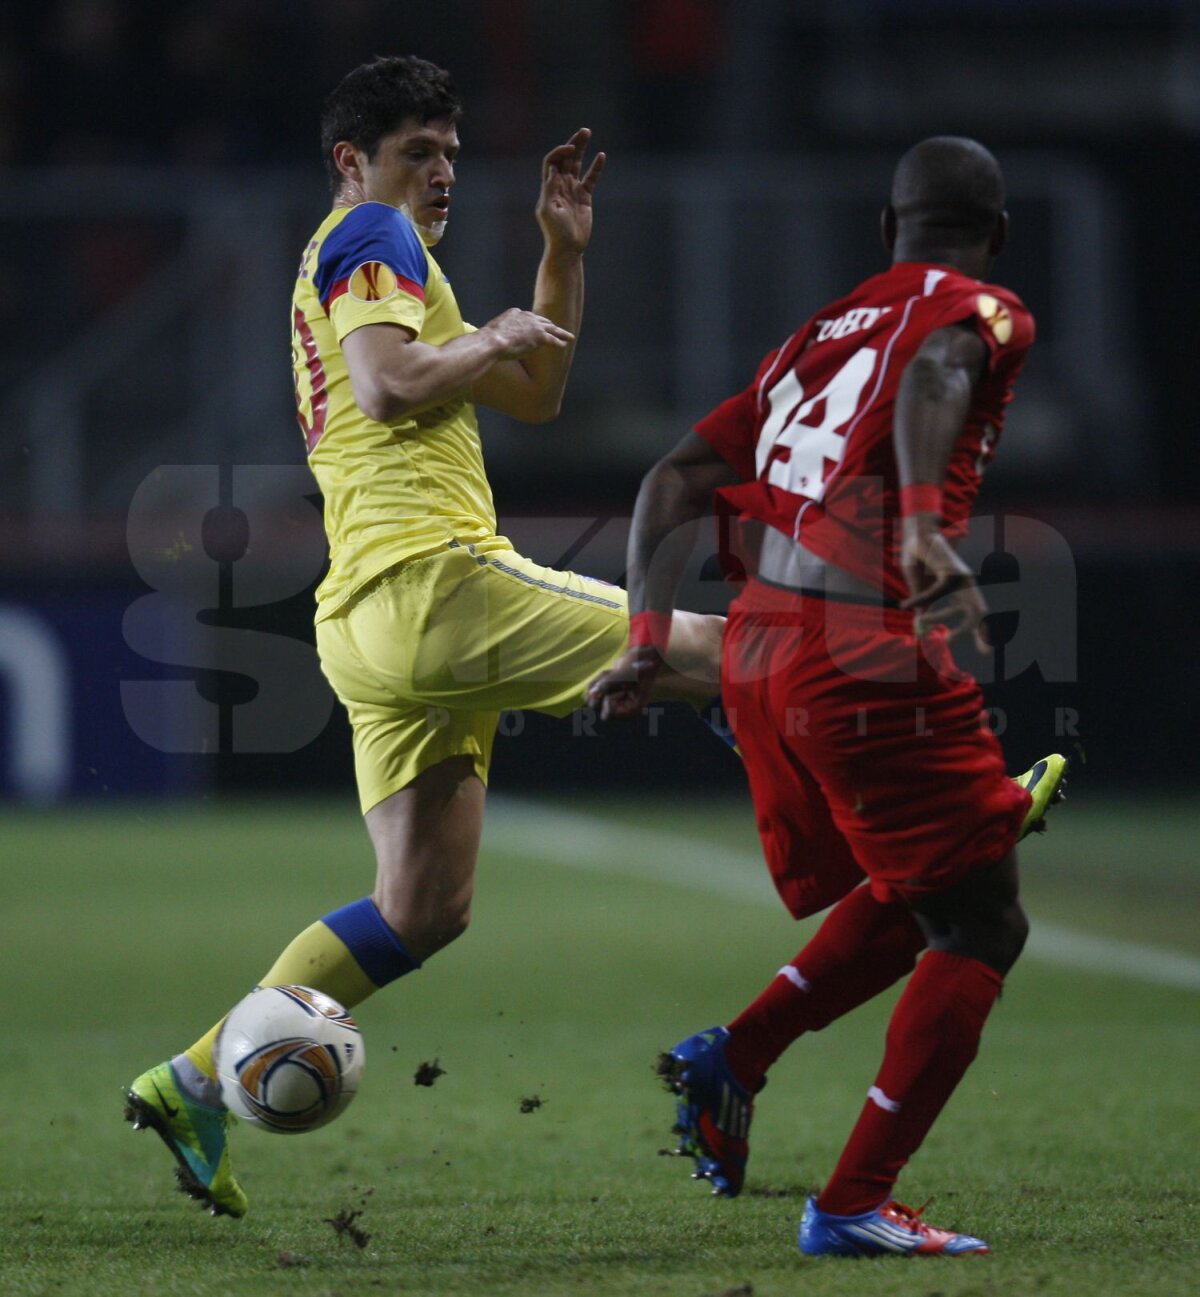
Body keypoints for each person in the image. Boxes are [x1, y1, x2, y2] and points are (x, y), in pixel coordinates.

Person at [124, 54, 724, 1219]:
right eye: (418, 152)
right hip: (434, 580)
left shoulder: (375, 261)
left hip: (371, 615)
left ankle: (195, 1079)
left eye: (451, 151)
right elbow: (393, 386)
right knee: (712, 648)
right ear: (354, 161)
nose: (442, 171)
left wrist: (561, 255)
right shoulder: (370, 237)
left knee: (422, 908)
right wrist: (492, 336)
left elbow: (536, 395)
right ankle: (952, 795)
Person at [588, 136, 1067, 1258]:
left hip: (764, 648)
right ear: (992, 235)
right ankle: (852, 1202)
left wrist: (645, 639)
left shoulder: (813, 337)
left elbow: (672, 479)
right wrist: (917, 528)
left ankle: (735, 1057)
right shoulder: (983, 308)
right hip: (863, 644)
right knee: (982, 918)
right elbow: (941, 372)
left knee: (923, 886)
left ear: (885, 231)